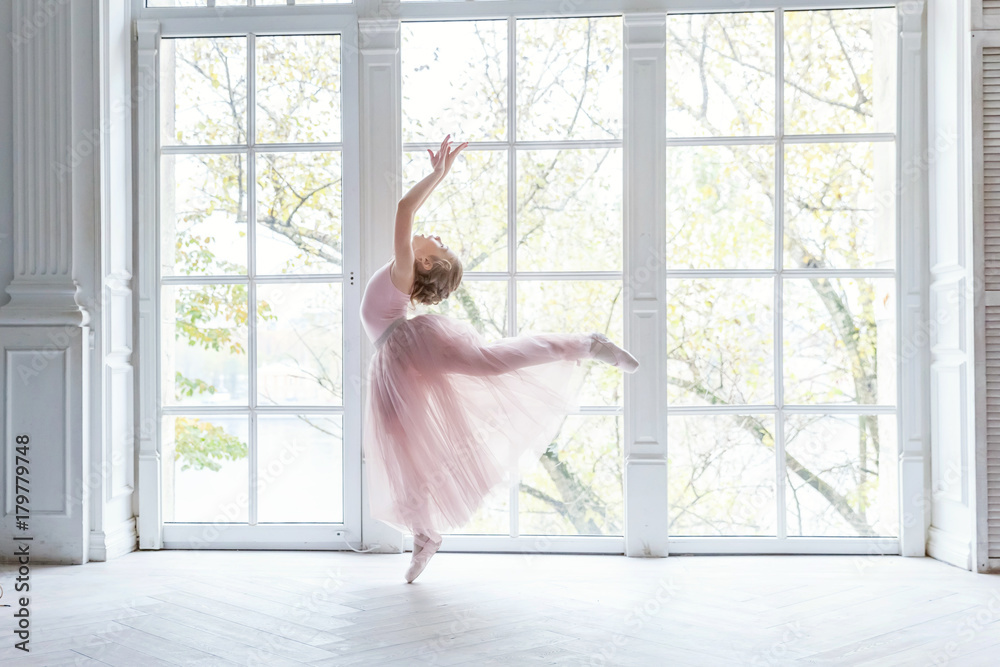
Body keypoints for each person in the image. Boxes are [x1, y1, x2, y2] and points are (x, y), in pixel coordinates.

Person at [360, 135, 639, 583]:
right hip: (395, 361)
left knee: (491, 364)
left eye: (440, 244)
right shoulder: (407, 272)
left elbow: (403, 212)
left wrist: (437, 175)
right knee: (403, 445)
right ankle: (425, 534)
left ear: (425, 265)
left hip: (407, 348)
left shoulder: (403, 268)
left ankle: (586, 344)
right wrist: (440, 176)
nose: (436, 235)